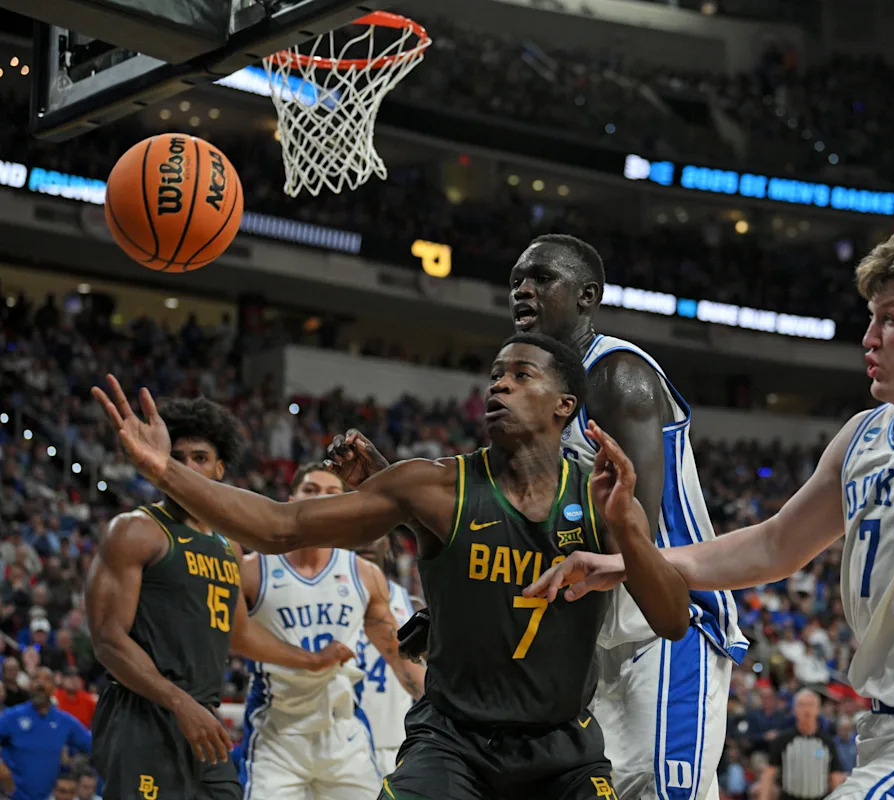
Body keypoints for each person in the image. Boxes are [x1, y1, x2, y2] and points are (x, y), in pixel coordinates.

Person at [530, 142, 894, 799]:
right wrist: (632, 563)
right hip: (887, 736)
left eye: (890, 321)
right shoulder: (862, 436)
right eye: (871, 320)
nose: (868, 338)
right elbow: (774, 546)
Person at [92, 332, 692, 800]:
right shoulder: (434, 486)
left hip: (562, 751)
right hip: (455, 744)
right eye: (494, 375)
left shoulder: (599, 496)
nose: (499, 385)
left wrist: (628, 528)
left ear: (565, 405)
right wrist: (163, 470)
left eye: (520, 375)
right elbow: (278, 526)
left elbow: (672, 620)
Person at [328, 233, 746, 800]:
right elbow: (515, 526)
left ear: (587, 296)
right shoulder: (535, 396)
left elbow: (632, 532)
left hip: (663, 631)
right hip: (586, 639)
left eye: (542, 278)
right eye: (516, 281)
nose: (522, 290)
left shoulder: (617, 376)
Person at [85, 396, 354, 800]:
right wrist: (179, 703)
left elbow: (239, 634)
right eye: (177, 458)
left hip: (201, 717)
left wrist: (312, 660)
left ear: (220, 468)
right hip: (143, 713)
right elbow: (108, 640)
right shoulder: (135, 530)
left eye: (200, 458)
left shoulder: (229, 545)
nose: (188, 467)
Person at [240, 463, 424, 800]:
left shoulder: (364, 574)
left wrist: (445, 701)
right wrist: (310, 660)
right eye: (310, 490)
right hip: (277, 732)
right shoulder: (252, 570)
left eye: (331, 493)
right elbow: (233, 638)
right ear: (290, 499)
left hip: (344, 733)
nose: (319, 499)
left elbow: (397, 654)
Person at [355, 535, 426, 771]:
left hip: (395, 741)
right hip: (343, 741)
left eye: (374, 534)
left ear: (386, 544)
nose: (365, 541)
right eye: (358, 533)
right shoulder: (331, 600)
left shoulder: (412, 605)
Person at [0, 667, 91, 800]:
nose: (40, 684)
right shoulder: (12, 716)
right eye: (36, 679)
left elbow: (92, 744)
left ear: (54, 688)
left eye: (46, 680)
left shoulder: (64, 721)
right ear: (29, 685)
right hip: (12, 795)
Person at [760, 691, 845, 800]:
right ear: (794, 710)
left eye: (810, 705)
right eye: (801, 705)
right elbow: (769, 773)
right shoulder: (782, 741)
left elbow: (835, 776)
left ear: (818, 710)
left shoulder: (828, 744)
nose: (806, 710)